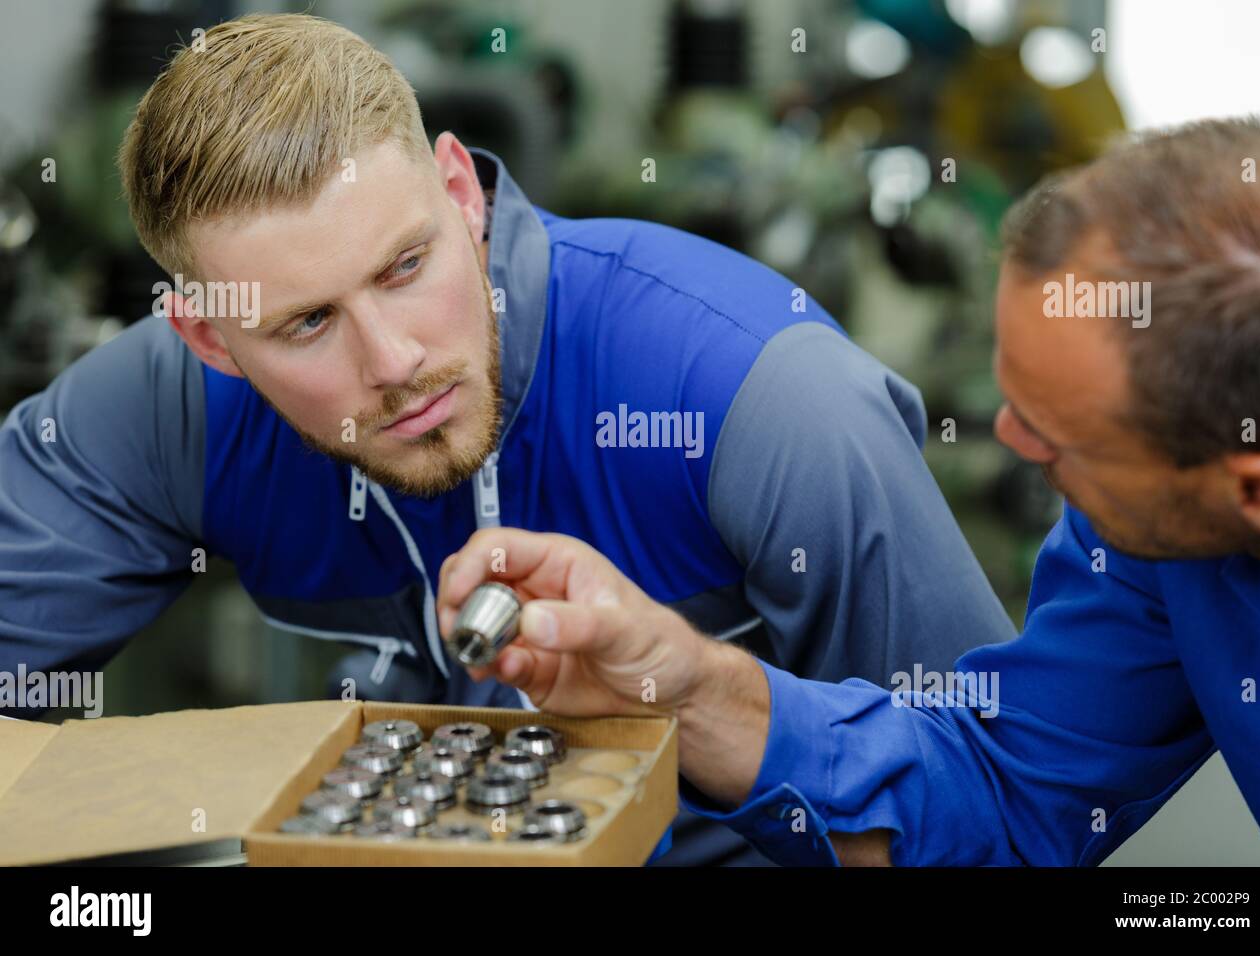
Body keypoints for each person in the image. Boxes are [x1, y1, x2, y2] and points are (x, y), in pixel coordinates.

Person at [0, 14, 1014, 865]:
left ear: (459, 191)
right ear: (207, 337)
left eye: (404, 267)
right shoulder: (158, 412)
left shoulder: (768, 398)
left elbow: (996, 806)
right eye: (307, 323)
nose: (392, 360)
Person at [436, 116, 1260, 866]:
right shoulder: (1155, 544)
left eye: (1054, 435)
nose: (1004, 437)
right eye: (1010, 397)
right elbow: (1009, 798)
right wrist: (693, 689)